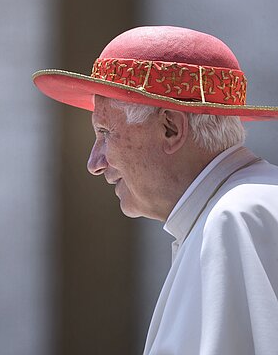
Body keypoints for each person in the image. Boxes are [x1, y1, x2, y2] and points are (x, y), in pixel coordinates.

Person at [32, 26, 278, 354]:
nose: (95, 163)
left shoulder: (234, 218)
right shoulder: (243, 204)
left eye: (105, 132)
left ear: (170, 128)